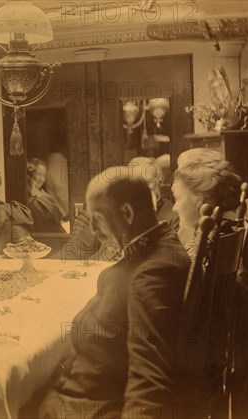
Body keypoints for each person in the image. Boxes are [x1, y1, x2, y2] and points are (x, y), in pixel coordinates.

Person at [35, 166, 190, 418]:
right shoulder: (161, 248)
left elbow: (149, 380)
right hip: (82, 392)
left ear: (126, 213)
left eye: (97, 218)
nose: (93, 230)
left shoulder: (151, 273)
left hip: (86, 406)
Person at [57, 156, 178, 260]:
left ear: (160, 182)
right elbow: (72, 251)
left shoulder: (173, 216)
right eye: (132, 185)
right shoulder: (112, 211)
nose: (139, 191)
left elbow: (165, 263)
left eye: (147, 183)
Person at [172, 148, 242, 258]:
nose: (174, 208)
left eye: (178, 199)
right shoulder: (222, 228)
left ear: (199, 200)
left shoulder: (209, 240)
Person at [27, 158, 66, 233]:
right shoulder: (30, 197)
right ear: (31, 175)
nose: (41, 179)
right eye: (38, 174)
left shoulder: (44, 193)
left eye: (44, 175)